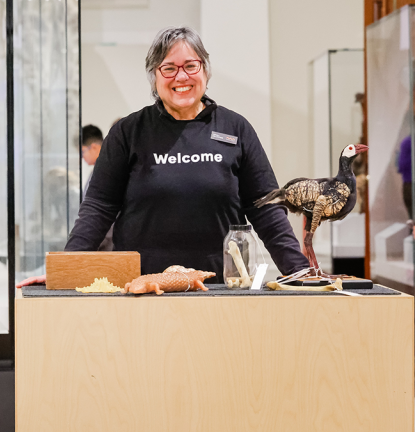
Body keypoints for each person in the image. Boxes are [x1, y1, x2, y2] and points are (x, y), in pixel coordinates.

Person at [17, 26, 308, 287]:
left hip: (221, 287)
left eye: (191, 66)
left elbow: (267, 209)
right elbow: (98, 208)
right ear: (154, 76)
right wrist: (66, 271)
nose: (181, 76)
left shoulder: (236, 129)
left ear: (205, 71)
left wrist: (300, 272)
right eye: (169, 68)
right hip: (141, 288)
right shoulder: (127, 132)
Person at [80, 124, 113, 251]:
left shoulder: (107, 172)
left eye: (83, 151)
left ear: (93, 147)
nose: (82, 157)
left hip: (105, 246)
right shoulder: (99, 171)